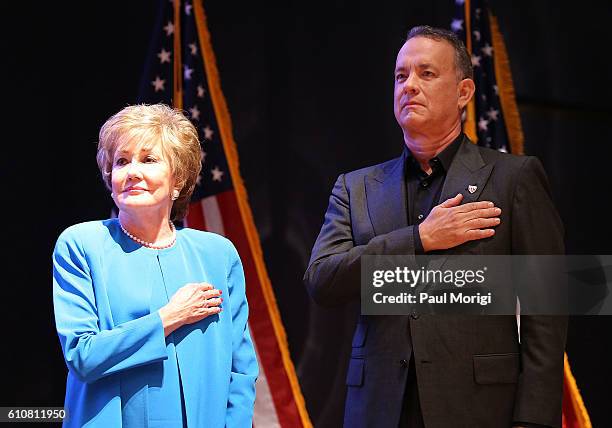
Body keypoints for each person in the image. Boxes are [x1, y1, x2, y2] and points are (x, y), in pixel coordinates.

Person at [304, 26, 567, 428]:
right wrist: (419, 239)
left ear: (463, 92)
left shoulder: (514, 179)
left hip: (479, 410)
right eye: (400, 76)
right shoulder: (355, 188)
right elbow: (322, 281)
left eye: (426, 74)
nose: (409, 86)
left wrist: (533, 422)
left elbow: (546, 314)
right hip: (378, 410)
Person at [53, 104, 258, 427]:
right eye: (121, 161)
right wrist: (168, 317)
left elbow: (241, 370)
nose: (132, 171)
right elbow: (83, 355)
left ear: (177, 180)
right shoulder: (82, 244)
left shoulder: (217, 254)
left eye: (148, 159)